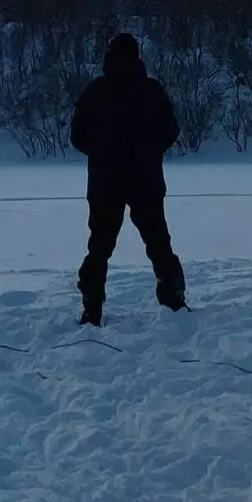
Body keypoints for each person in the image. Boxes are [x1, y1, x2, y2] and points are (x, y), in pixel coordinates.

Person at [68, 32, 186, 325]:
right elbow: (171, 131)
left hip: (105, 181)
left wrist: (102, 154)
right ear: (137, 56)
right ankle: (173, 300)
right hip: (145, 179)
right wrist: (149, 152)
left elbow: (78, 137)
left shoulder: (95, 90)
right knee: (158, 242)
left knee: (100, 246)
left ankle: (92, 308)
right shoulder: (151, 90)